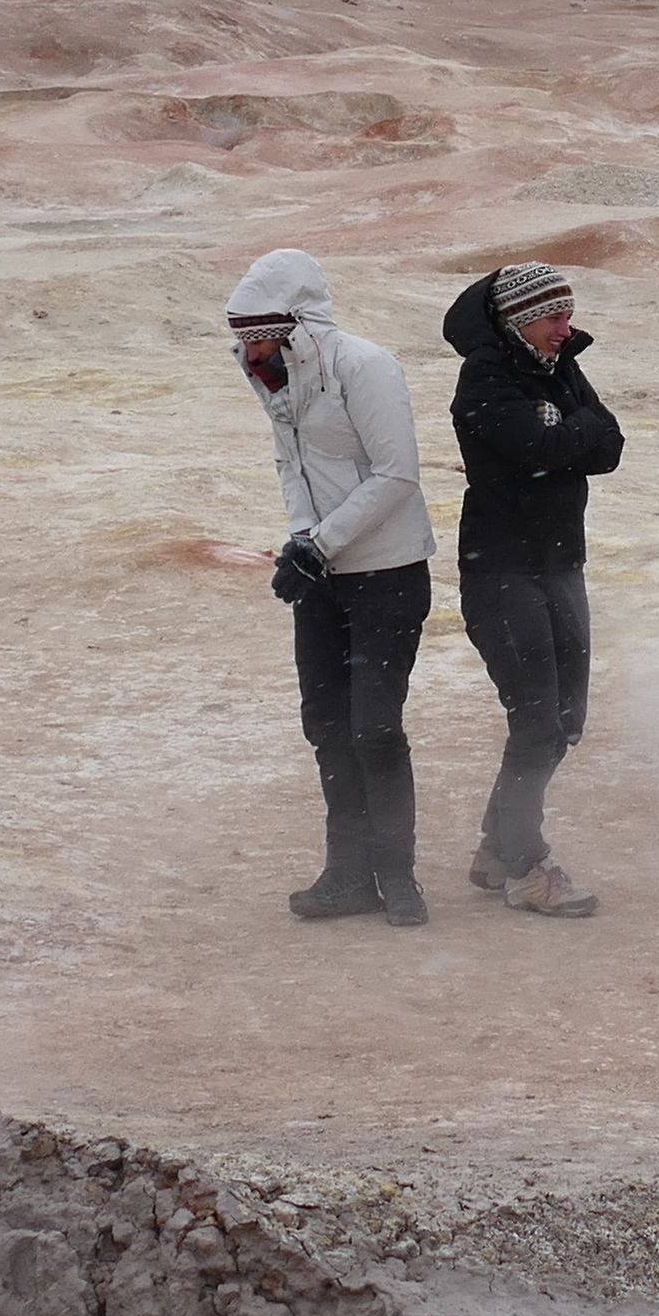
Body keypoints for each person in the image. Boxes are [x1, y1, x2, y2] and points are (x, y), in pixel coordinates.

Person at [226, 247, 434, 924]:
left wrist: (321, 543)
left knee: (374, 726)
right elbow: (292, 464)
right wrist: (301, 537)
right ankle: (348, 873)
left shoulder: (364, 366)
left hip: (388, 573)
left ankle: (397, 875)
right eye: (242, 334)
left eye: (259, 333)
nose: (249, 348)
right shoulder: (272, 372)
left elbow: (397, 472)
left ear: (298, 324)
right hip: (321, 570)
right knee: (326, 726)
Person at [440, 257, 621, 918]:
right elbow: (539, 450)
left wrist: (559, 435)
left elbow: (610, 444)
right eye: (554, 316)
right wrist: (565, 437)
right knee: (537, 721)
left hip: (559, 566)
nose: (565, 330)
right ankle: (525, 866)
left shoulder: (558, 367)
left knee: (564, 721)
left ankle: (497, 848)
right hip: (501, 573)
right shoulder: (484, 379)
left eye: (568, 315)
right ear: (519, 319)